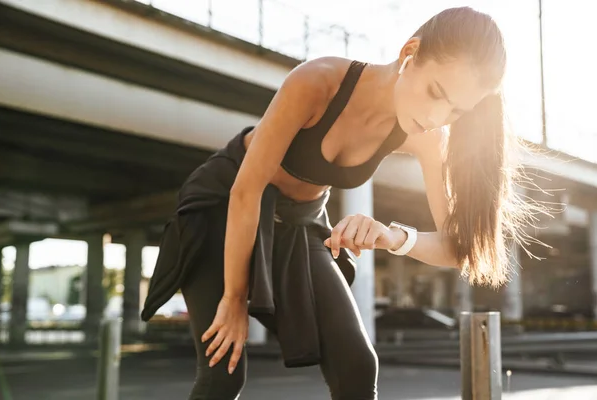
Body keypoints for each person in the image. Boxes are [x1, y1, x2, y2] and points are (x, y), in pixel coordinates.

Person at [141, 6, 540, 400]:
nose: (437, 115)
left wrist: (391, 236)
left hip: (301, 222)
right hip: (226, 205)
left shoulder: (425, 136)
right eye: (436, 92)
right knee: (223, 371)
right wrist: (232, 299)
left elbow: (457, 249)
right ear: (410, 53)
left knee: (358, 366)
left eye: (456, 110)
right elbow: (247, 190)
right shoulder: (318, 82)